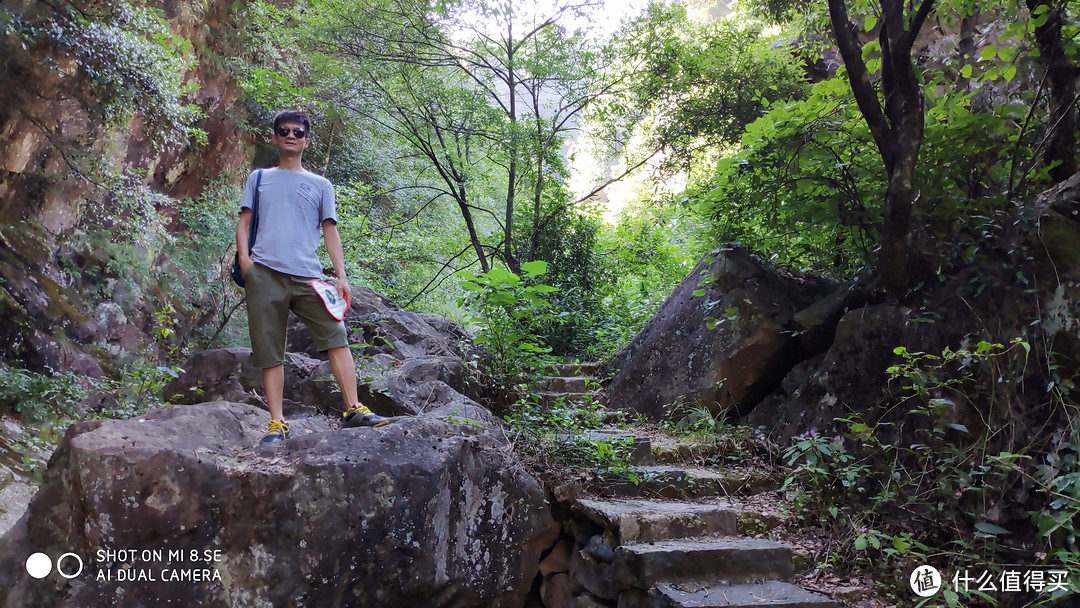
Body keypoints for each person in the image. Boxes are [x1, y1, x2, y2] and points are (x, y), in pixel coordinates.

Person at [236, 109, 388, 443]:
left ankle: (352, 408)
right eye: (284, 130)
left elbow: (330, 231)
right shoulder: (259, 178)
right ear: (274, 137)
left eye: (298, 132)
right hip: (265, 274)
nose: (291, 136)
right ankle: (277, 423)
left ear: (307, 140)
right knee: (269, 348)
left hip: (308, 276)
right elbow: (244, 221)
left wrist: (342, 277)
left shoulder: (321, 185)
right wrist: (246, 262)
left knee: (336, 334)